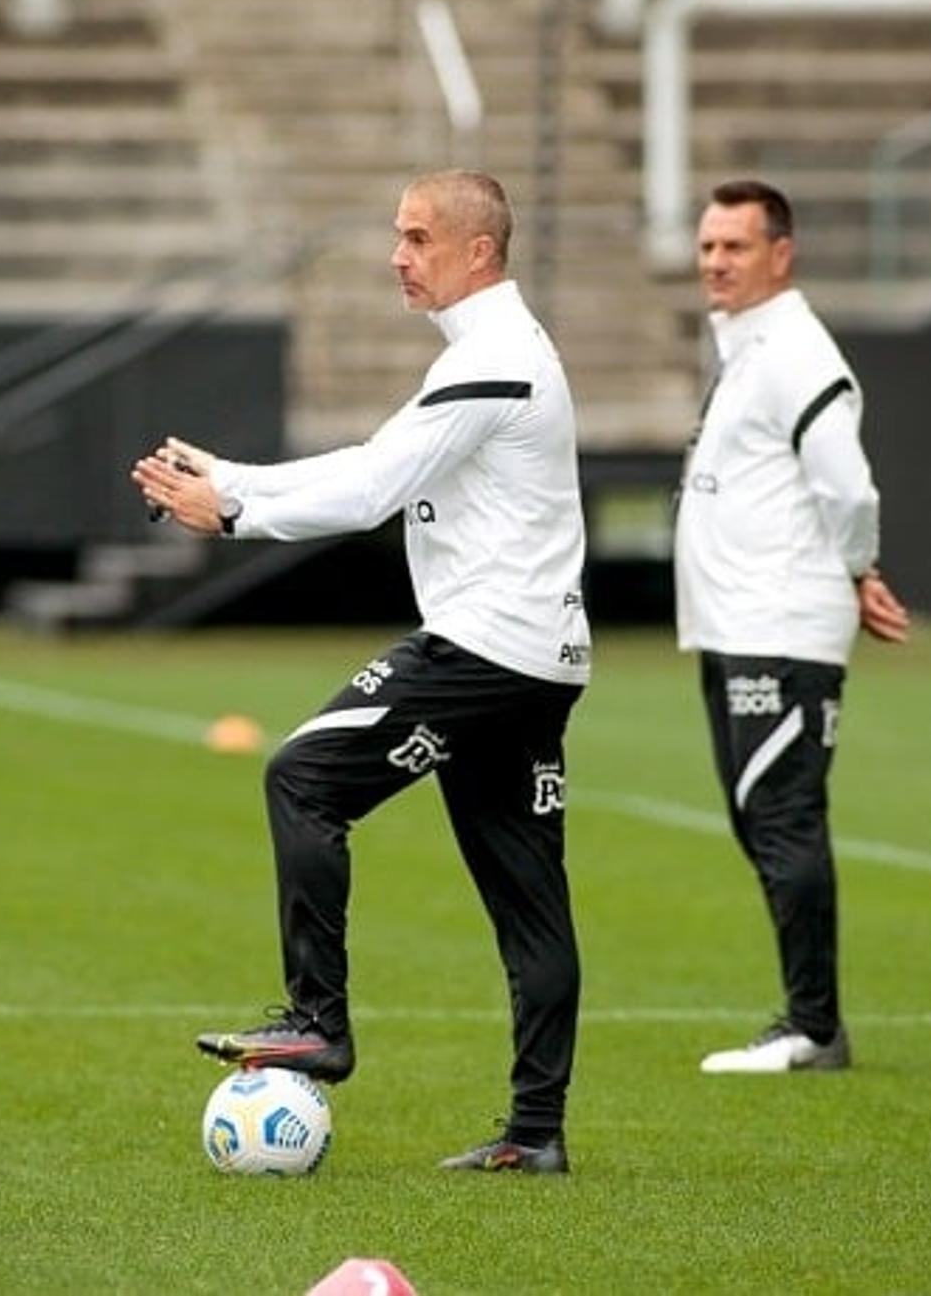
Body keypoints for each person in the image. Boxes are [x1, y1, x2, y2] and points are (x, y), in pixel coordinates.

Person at [132, 171, 591, 1173]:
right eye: (397, 235)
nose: (397, 253)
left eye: (418, 237)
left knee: (301, 774)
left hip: (482, 649)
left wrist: (235, 511)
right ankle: (536, 1131)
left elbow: (375, 485)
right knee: (529, 897)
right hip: (532, 657)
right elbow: (382, 457)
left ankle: (318, 1021)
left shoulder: (497, 355)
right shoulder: (492, 353)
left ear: (478, 252)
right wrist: (231, 479)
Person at [674, 179, 910, 1074]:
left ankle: (814, 1026)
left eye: (735, 246)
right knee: (757, 814)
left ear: (782, 253)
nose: (716, 264)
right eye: (706, 247)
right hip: (735, 622)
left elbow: (847, 485)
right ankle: (810, 1018)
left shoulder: (798, 351)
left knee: (782, 815)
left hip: (780, 626)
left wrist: (859, 567)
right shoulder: (750, 349)